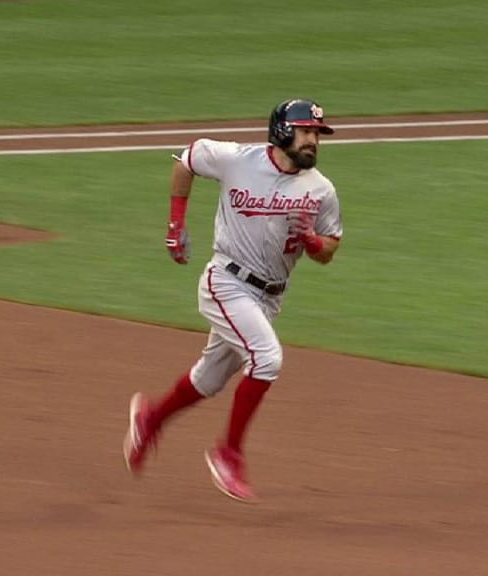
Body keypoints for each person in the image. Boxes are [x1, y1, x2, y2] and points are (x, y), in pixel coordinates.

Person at [123, 98, 343, 502]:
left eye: (317, 134)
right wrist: (176, 225)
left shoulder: (321, 190)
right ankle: (229, 453)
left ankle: (150, 418)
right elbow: (185, 160)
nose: (314, 140)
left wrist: (314, 243)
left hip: (270, 298)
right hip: (226, 282)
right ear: (281, 131)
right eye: (307, 131)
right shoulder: (235, 159)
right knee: (267, 358)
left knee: (209, 378)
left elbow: (330, 249)